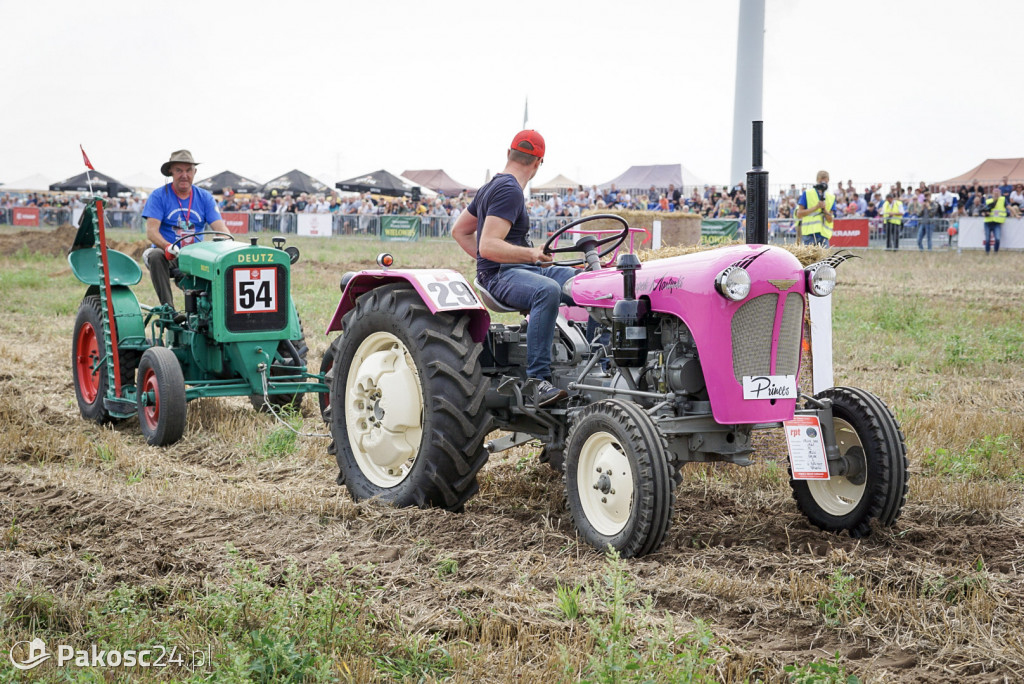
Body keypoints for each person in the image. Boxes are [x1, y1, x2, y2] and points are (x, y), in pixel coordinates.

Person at [451, 129, 574, 406]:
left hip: (519, 271)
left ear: (509, 153)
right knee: (547, 291)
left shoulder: (490, 187)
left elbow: (459, 231)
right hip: (502, 276)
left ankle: (596, 363)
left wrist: (490, 260)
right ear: (538, 163)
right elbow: (489, 245)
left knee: (589, 283)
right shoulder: (509, 191)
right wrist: (527, 255)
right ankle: (537, 381)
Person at [142, 150, 226, 309]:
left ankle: (214, 313)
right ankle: (169, 310)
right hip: (169, 255)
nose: (184, 175)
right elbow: (151, 232)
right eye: (179, 170)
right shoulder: (159, 196)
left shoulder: (205, 197)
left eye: (188, 170)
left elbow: (221, 229)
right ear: (170, 172)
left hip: (197, 255)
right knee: (154, 255)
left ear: (195, 172)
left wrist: (229, 245)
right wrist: (168, 246)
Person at [794, 170, 835, 246]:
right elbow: (799, 214)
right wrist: (816, 207)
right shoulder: (807, 193)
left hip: (824, 235)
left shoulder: (831, 197)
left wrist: (824, 208)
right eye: (821, 182)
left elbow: (830, 220)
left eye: (825, 182)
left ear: (828, 181)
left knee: (825, 258)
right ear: (817, 181)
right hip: (809, 235)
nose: (823, 184)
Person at [982, 185, 1012, 254]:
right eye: (995, 193)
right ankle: (987, 253)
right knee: (987, 239)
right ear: (992, 194)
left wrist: (1016, 214)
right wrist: (984, 213)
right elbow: (983, 210)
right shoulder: (988, 201)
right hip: (988, 222)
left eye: (997, 193)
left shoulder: (1003, 200)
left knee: (997, 239)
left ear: (1000, 193)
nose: (996, 194)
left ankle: (995, 252)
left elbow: (1009, 207)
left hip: (997, 223)